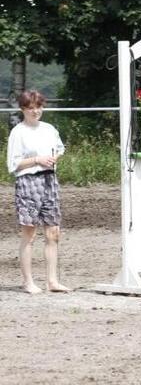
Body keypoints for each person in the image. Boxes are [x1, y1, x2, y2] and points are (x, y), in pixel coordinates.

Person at [6, 90, 71, 294]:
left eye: (38, 107)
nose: (35, 111)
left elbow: (59, 149)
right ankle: (28, 281)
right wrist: (37, 160)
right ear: (23, 109)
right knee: (30, 232)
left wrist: (52, 159)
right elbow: (13, 164)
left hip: (49, 180)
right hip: (28, 182)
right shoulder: (18, 132)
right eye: (31, 108)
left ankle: (52, 280)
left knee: (53, 231)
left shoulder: (49, 129)